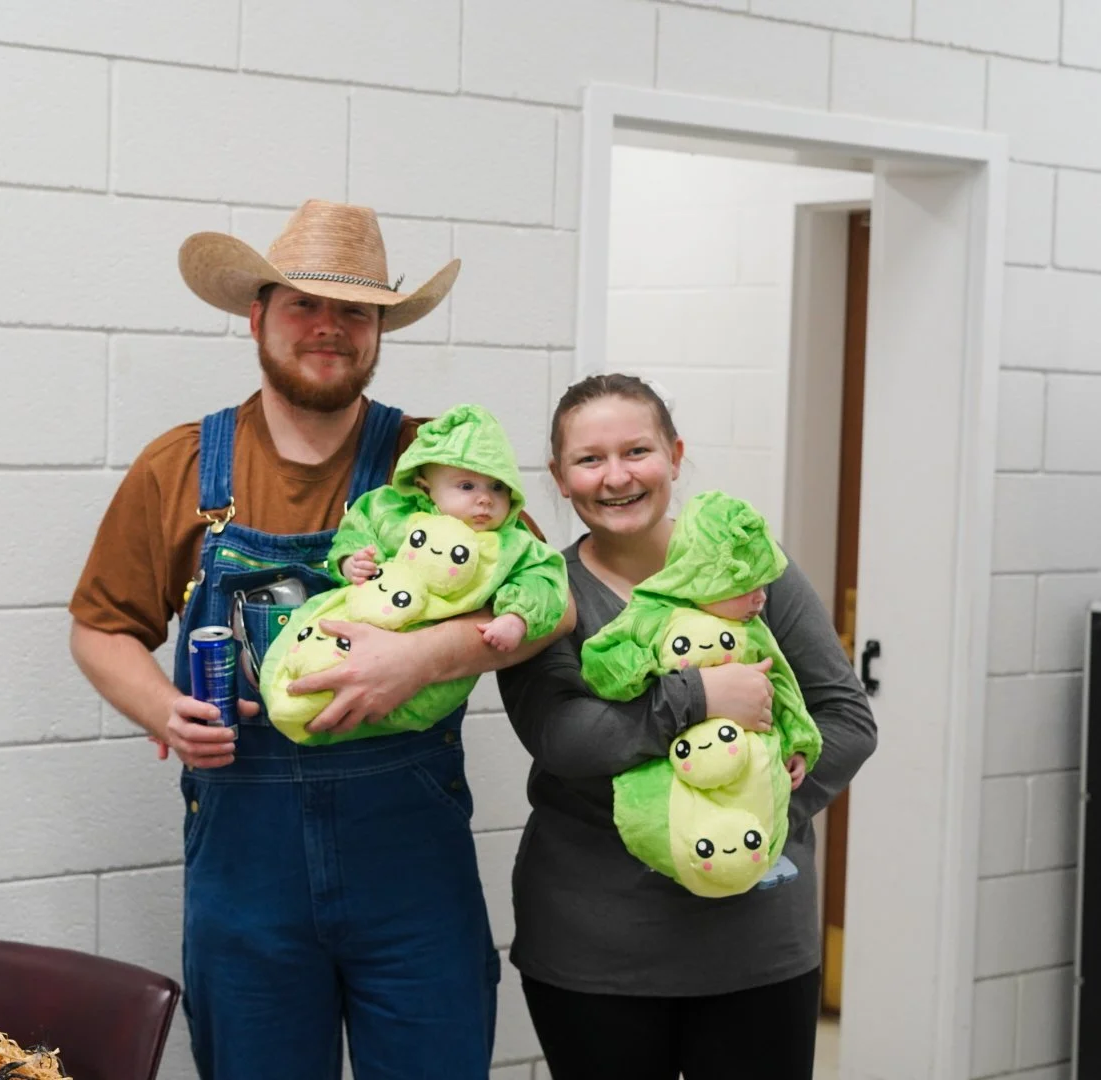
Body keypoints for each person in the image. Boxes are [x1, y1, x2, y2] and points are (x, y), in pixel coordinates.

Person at [68, 198, 573, 1080]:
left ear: (379, 330)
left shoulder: (435, 461)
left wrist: (421, 657)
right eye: (305, 305)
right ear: (257, 316)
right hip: (245, 868)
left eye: (355, 311)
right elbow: (100, 627)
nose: (329, 329)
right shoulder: (182, 466)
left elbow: (552, 605)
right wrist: (164, 708)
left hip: (411, 870)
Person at [496, 373, 876, 1080]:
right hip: (597, 952)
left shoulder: (755, 572)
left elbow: (847, 719)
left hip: (757, 946)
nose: (616, 477)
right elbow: (565, 739)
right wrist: (700, 697)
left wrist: (754, 805)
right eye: (589, 459)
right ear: (559, 476)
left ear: (674, 454)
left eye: (637, 450)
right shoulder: (543, 594)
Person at [259, 401, 568, 741]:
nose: (485, 499)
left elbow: (544, 580)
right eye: (467, 486)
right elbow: (359, 525)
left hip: (425, 676)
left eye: (498, 487)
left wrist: (517, 617)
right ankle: (292, 695)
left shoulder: (511, 544)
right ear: (425, 488)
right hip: (361, 619)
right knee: (305, 651)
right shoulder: (395, 514)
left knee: (377, 707)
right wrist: (350, 560)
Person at [580, 488, 823, 897]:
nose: (762, 598)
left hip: (746, 764)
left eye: (764, 586)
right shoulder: (655, 614)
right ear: (705, 578)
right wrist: (650, 673)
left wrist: (798, 742)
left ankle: (740, 855)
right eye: (747, 587)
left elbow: (783, 685)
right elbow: (603, 662)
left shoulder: (755, 632)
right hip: (675, 766)